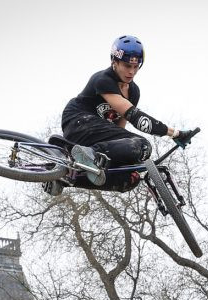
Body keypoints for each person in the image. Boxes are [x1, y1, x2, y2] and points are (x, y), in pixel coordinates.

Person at [44, 35, 191, 196]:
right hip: (79, 121)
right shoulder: (103, 80)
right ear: (114, 61)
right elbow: (136, 118)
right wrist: (175, 133)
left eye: (136, 66)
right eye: (127, 65)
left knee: (130, 177)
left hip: (95, 137)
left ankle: (63, 177)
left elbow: (118, 132)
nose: (131, 71)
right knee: (142, 145)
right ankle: (91, 154)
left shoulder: (134, 92)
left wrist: (127, 158)